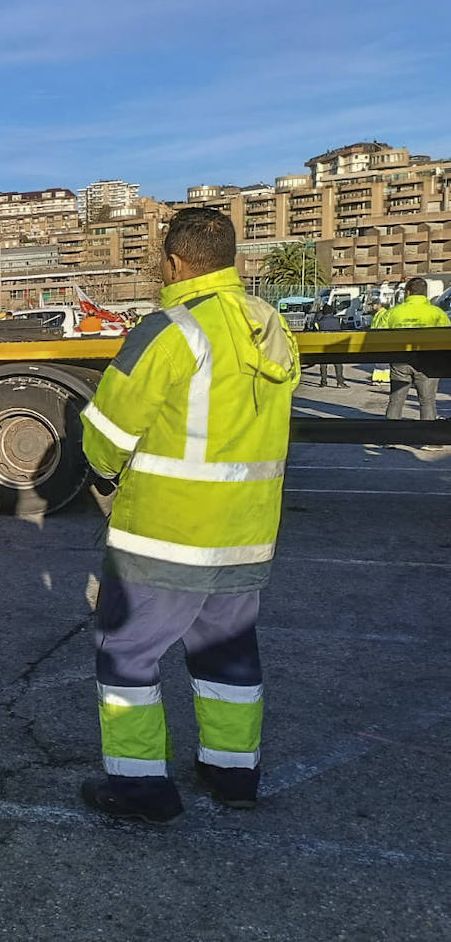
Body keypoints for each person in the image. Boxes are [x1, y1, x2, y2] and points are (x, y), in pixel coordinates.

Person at [77, 207, 300, 824]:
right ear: (231, 258)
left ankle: (141, 787)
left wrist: (101, 467)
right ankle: (232, 771)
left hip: (167, 534)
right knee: (226, 653)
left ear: (173, 261)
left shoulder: (169, 330)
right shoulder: (270, 325)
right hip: (247, 532)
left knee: (126, 653)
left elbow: (109, 430)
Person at [376, 277, 450, 422]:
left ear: (408, 293)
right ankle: (430, 440)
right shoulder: (437, 313)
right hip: (429, 362)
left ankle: (390, 435)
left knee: (396, 401)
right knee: (427, 402)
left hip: (400, 362)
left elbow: (379, 336)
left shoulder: (392, 312)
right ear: (425, 294)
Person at [314, 305, 347, 388]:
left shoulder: (318, 323)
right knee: (338, 365)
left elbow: (313, 333)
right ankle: (340, 382)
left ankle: (323, 382)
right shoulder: (338, 320)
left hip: (323, 347)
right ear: (332, 311)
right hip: (336, 346)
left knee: (323, 365)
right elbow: (345, 331)